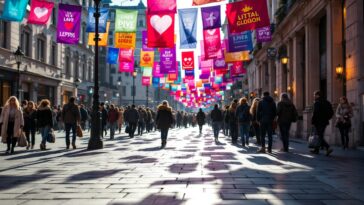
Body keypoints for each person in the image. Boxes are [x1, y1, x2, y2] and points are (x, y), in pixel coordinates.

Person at [311, 91, 334, 156]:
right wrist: (327, 118)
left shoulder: (317, 103)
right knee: (319, 135)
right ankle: (316, 149)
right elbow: (331, 112)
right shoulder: (327, 102)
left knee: (319, 136)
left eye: (315, 95)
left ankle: (328, 147)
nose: (314, 96)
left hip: (318, 122)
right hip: (325, 122)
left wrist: (313, 122)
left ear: (318, 95)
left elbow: (315, 113)